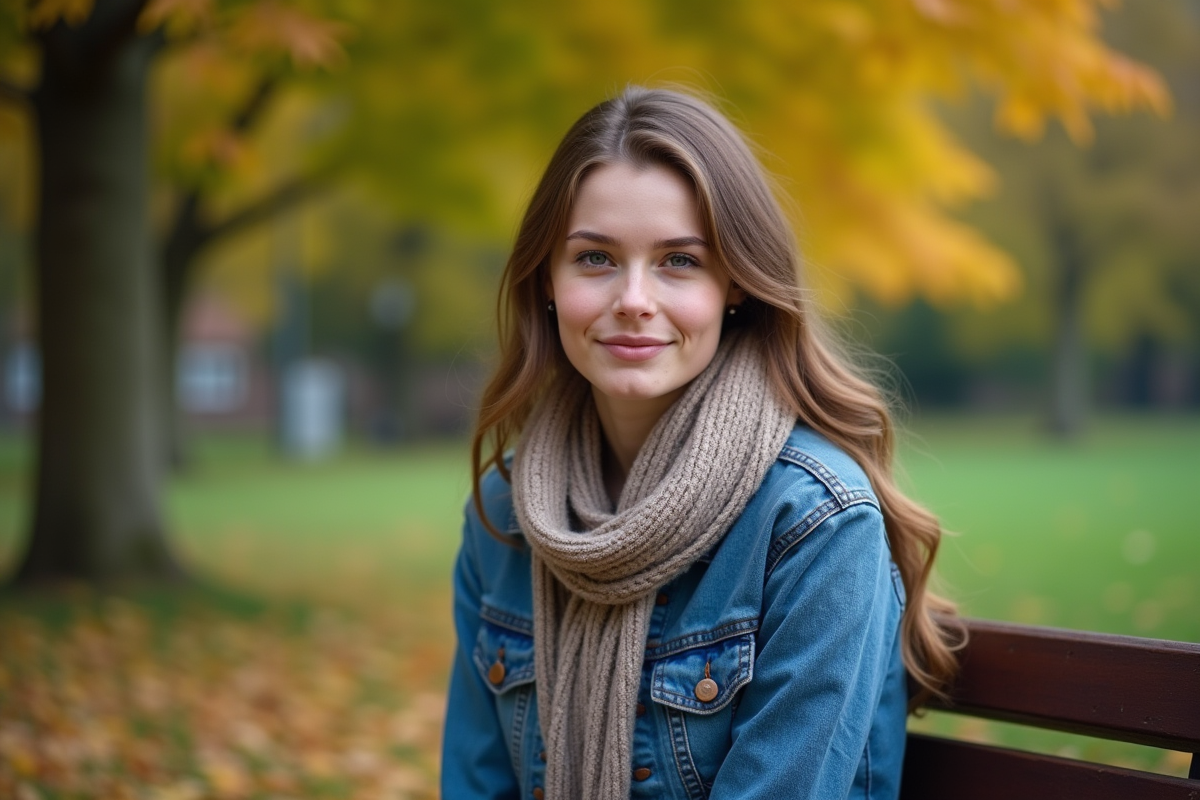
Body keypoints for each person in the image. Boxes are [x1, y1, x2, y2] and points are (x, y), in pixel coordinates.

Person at [442, 85, 962, 800]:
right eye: (594, 258)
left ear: (735, 285)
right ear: (548, 284)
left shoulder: (814, 524)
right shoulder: (505, 516)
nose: (633, 298)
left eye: (679, 261)